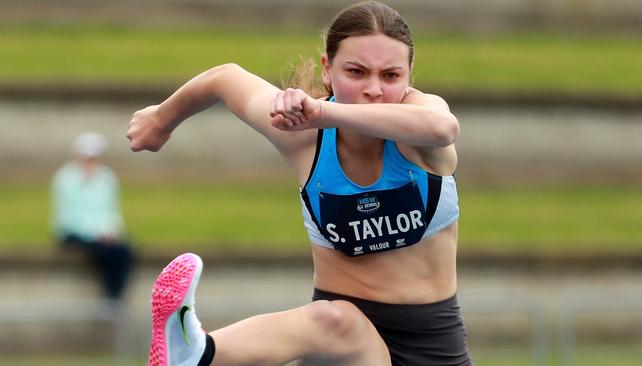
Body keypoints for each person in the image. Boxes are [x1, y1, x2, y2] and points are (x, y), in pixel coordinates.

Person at [128, 1, 471, 365]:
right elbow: (225, 78)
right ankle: (195, 353)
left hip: (435, 348)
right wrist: (161, 118)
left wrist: (323, 112)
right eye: (356, 72)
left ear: (409, 74)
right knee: (337, 321)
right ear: (328, 70)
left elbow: (443, 128)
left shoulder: (419, 127)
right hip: (341, 349)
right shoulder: (303, 137)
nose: (374, 89)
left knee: (340, 322)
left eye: (390, 75)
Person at [51, 132, 134, 302]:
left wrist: (113, 232)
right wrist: (97, 234)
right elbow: (69, 217)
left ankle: (115, 297)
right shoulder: (65, 180)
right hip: (74, 232)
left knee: (124, 251)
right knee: (105, 253)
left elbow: (111, 212)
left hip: (102, 234)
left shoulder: (107, 179)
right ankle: (110, 297)